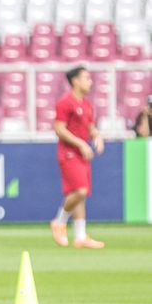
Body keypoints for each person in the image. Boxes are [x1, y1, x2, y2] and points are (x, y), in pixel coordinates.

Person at [49, 66, 106, 249]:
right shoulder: (65, 102)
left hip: (82, 155)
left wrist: (97, 136)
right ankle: (59, 221)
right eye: (86, 78)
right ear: (75, 81)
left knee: (81, 195)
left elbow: (90, 127)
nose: (90, 81)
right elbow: (59, 129)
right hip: (69, 153)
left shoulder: (87, 105)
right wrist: (81, 143)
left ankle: (80, 236)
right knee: (79, 190)